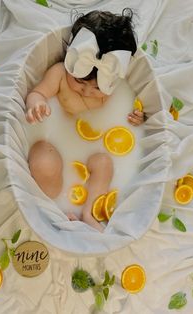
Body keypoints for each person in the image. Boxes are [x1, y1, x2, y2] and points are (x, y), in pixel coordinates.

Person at [25, 10, 145, 232]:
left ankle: (89, 214)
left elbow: (123, 114)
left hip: (90, 147)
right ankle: (53, 203)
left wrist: (137, 118)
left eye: (98, 88)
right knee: (44, 161)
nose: (88, 92)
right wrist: (36, 104)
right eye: (80, 82)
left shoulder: (112, 84)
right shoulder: (60, 74)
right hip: (52, 138)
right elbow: (37, 93)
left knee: (104, 163)